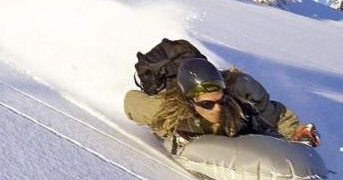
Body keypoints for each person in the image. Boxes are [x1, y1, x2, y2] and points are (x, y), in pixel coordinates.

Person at [124, 56, 319, 147]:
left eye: (220, 100)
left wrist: (297, 132)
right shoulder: (167, 108)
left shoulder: (243, 91)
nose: (217, 108)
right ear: (191, 101)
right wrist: (170, 129)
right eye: (208, 104)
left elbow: (274, 115)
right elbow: (130, 100)